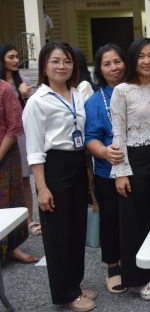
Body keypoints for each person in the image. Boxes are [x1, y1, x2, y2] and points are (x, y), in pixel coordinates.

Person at [23, 42, 96, 312]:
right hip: (53, 168)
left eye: (66, 61)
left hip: (77, 164)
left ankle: (75, 284)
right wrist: (41, 188)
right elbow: (34, 151)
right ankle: (64, 293)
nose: (62, 66)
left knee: (76, 229)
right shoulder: (37, 102)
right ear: (44, 66)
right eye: (55, 61)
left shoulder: (77, 94)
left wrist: (87, 171)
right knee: (58, 234)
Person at [110, 38, 150, 301]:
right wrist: (121, 171)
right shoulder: (122, 91)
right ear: (133, 60)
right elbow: (118, 132)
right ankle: (136, 279)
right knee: (134, 221)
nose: (147, 61)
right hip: (134, 159)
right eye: (141, 56)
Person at [84, 44, 127, 295]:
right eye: (107, 63)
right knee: (111, 220)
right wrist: (103, 152)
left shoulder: (137, 89)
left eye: (117, 61)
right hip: (106, 171)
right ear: (99, 69)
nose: (114, 67)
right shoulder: (95, 101)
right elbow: (91, 137)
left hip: (138, 169)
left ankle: (137, 263)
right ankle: (113, 267)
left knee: (136, 218)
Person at [0, 44, 40, 237]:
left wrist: (24, 96)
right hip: (7, 136)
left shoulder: (22, 81)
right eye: (11, 57)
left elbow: (23, 115)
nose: (16, 60)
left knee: (24, 178)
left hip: (21, 136)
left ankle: (29, 219)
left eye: (17, 57)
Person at [0, 79, 38, 264]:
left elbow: (14, 128)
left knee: (7, 203)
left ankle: (11, 248)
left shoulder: (4, 89)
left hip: (5, 157)